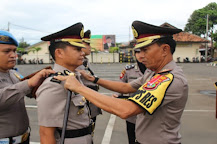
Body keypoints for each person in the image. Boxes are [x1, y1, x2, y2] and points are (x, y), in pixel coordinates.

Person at [55, 20, 188, 144]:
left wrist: (79, 88)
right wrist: (95, 80)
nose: (140, 56)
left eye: (145, 50)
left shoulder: (168, 78)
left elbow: (127, 110)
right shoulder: (153, 72)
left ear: (165, 50)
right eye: (139, 51)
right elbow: (126, 87)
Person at [0, 30, 54, 144]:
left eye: (14, 51)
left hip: (23, 139)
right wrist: (29, 83)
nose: (13, 55)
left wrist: (47, 82)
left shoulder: (12, 73)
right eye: (7, 51)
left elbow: (29, 91)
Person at [36, 22, 93, 144]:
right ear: (59, 53)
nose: (82, 52)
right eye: (77, 49)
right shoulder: (53, 85)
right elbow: (46, 134)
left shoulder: (73, 77)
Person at [116, 49, 146, 144]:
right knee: (132, 139)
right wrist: (117, 95)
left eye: (143, 51)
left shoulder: (154, 69)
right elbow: (121, 85)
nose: (140, 54)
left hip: (149, 115)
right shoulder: (129, 70)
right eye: (137, 52)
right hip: (132, 115)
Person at [76, 30, 102, 125]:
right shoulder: (74, 63)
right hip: (83, 105)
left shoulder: (85, 61)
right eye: (87, 44)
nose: (90, 47)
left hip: (91, 103)